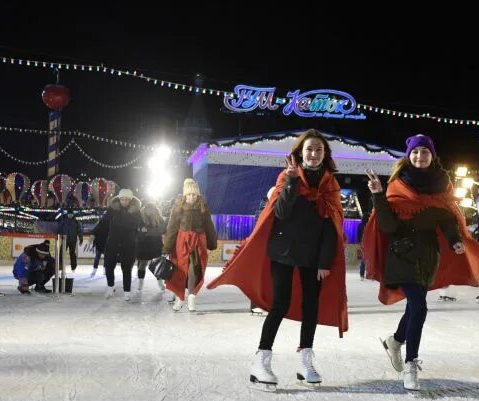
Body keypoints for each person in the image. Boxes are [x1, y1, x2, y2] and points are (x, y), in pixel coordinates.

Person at [208, 130, 348, 387]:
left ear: (325, 154)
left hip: (313, 254)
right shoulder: (287, 176)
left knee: (311, 307)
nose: (314, 154)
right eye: (309, 150)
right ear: (300, 153)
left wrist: (325, 261)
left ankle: (306, 362)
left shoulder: (331, 185)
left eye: (318, 149)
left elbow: (333, 225)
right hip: (283, 250)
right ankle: (261, 360)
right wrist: (293, 181)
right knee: (280, 304)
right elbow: (281, 212)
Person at [362, 134, 479, 391]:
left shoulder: (442, 185)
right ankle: (411, 364)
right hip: (401, 254)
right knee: (419, 307)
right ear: (409, 155)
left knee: (414, 307)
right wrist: (378, 196)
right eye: (415, 152)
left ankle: (396, 341)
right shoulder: (397, 185)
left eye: (425, 152)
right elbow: (387, 225)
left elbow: (447, 219)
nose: (420, 156)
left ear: (433, 156)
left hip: (428, 256)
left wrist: (455, 239)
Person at [164, 179, 218, 313]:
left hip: (198, 241)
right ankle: (179, 298)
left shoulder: (202, 207)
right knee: (180, 269)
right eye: (189, 194)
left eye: (194, 194)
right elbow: (172, 227)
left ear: (197, 194)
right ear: (184, 194)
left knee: (195, 269)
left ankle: (192, 297)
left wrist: (211, 242)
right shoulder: (178, 207)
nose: (191, 197)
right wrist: (167, 246)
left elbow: (209, 226)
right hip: (182, 241)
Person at [92, 188, 143, 301]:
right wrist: (94, 233)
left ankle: (127, 291)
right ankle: (110, 286)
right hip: (113, 242)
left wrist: (142, 233)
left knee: (126, 268)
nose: (124, 202)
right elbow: (103, 222)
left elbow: (141, 225)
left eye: (127, 200)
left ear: (130, 200)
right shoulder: (112, 209)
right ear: (119, 199)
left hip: (128, 244)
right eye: (122, 199)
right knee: (109, 266)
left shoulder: (136, 212)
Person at [135, 202, 167, 297]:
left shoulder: (159, 219)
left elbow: (164, 230)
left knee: (157, 265)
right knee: (142, 265)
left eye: (151, 209)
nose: (149, 211)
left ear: (154, 209)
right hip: (143, 245)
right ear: (144, 210)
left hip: (156, 245)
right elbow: (136, 231)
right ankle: (140, 283)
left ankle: (160, 283)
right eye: (147, 209)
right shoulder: (140, 219)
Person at [55, 208, 83, 272]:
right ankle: (61, 267)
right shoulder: (64, 220)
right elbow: (59, 228)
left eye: (71, 214)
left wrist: (81, 238)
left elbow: (79, 230)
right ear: (67, 214)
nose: (70, 215)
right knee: (62, 253)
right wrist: (57, 235)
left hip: (73, 240)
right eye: (69, 214)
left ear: (73, 214)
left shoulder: (76, 221)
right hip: (65, 240)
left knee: (72, 254)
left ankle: (73, 267)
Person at [90, 208, 108, 278]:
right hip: (99, 244)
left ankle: (105, 270)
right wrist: (92, 236)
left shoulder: (110, 225)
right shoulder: (100, 224)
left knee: (105, 258)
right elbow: (94, 231)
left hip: (106, 244)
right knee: (97, 258)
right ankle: (94, 271)